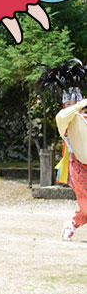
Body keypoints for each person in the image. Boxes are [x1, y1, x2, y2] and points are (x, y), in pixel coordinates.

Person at [55, 86, 87, 241]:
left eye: (75, 103)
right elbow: (66, 114)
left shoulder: (84, 119)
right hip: (77, 167)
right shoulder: (62, 119)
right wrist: (79, 105)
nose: (72, 107)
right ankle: (72, 224)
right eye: (69, 104)